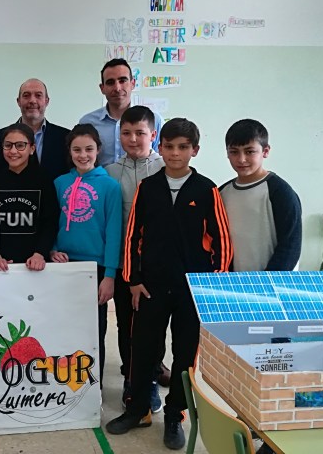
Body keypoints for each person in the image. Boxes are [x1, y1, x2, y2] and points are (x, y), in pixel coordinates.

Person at [106, 118, 233, 451]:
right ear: (159, 148)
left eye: (183, 147)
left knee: (185, 355)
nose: (175, 153)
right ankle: (137, 408)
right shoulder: (148, 188)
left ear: (195, 150)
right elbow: (133, 237)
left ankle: (176, 414)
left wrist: (210, 287)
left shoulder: (207, 189)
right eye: (170, 146)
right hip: (151, 286)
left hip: (191, 289)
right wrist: (133, 280)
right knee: (142, 349)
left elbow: (222, 241)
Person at [50, 124, 122, 385]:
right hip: (64, 266)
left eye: (89, 149)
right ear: (69, 152)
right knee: (65, 327)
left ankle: (93, 387)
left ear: (98, 150)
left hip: (96, 268)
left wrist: (110, 275)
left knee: (94, 330)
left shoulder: (110, 187)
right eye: (77, 150)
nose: (83, 155)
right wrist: (52, 249)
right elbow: (51, 223)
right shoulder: (60, 183)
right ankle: (65, 382)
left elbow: (114, 232)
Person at [106, 106, 166, 410]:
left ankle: (150, 379)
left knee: (153, 326)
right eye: (126, 133)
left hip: (155, 266)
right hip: (122, 263)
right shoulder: (110, 172)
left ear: (152, 135)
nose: (132, 139)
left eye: (140, 133)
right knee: (126, 325)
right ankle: (131, 380)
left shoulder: (164, 169)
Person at [220, 119, 302, 271]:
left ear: (265, 151)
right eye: (234, 152)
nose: (241, 159)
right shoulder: (222, 193)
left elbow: (290, 246)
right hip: (234, 280)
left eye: (249, 151)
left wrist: (267, 281)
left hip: (273, 281)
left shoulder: (281, 193)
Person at [0, 123, 59, 271]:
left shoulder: (44, 180)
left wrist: (40, 253)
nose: (13, 151)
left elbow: (50, 221)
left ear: (32, 148)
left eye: (20, 145)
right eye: (8, 145)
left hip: (35, 262)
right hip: (1, 263)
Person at [79, 58, 163, 166]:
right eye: (110, 82)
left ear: (133, 83)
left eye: (122, 81)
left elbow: (161, 160)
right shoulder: (87, 122)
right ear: (102, 88)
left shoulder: (154, 120)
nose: (117, 88)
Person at [0, 78, 70, 181]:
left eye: (38, 95)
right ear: (18, 101)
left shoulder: (65, 137)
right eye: (26, 95)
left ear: (46, 101)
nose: (32, 101)